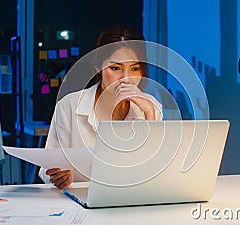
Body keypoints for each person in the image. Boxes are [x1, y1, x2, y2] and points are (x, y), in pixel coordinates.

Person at [38, 24, 163, 189]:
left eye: (135, 68)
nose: (126, 78)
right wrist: (59, 177)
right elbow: (48, 167)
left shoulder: (149, 107)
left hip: (129, 202)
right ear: (98, 67)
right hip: (77, 203)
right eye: (116, 68)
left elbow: (154, 173)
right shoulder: (69, 105)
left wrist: (149, 114)